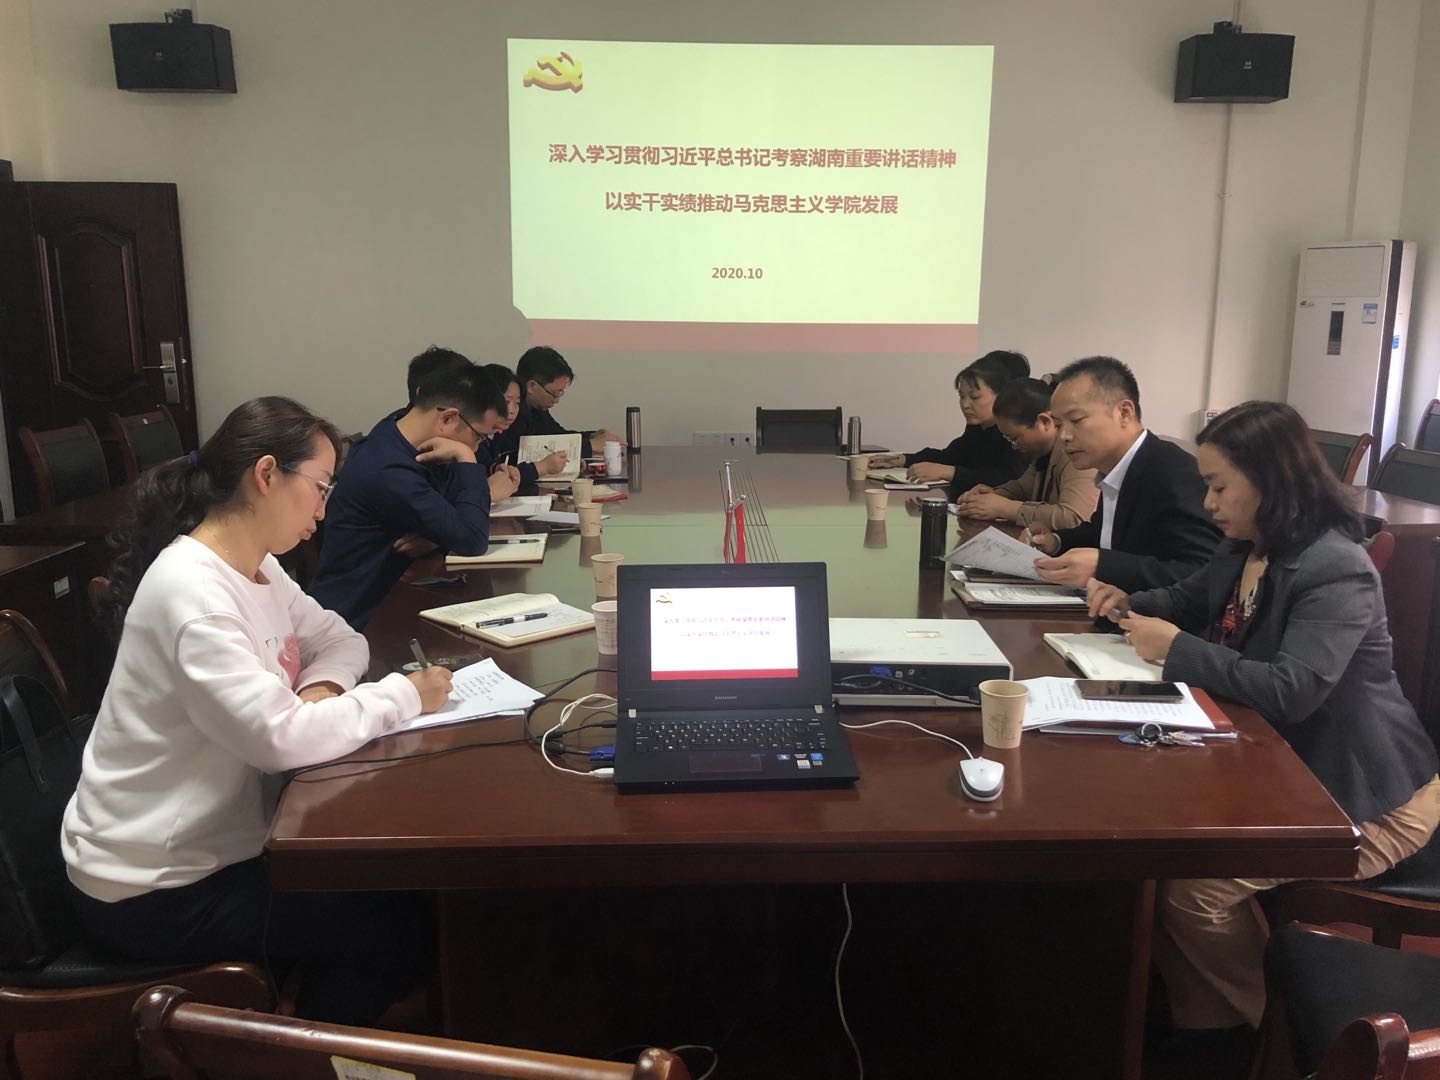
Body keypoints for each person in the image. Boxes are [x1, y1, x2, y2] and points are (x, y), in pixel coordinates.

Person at [62, 396, 453, 1026]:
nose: (324, 510)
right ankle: (306, 1057)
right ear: (266, 474)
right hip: (153, 885)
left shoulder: (258, 566)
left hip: (216, 845)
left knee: (403, 898)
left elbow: (342, 639)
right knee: (389, 932)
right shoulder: (195, 595)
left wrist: (319, 692)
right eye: (320, 487)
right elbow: (279, 740)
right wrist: (405, 694)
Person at [1084, 400, 1440, 1035]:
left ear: (1272, 481)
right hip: (1285, 768)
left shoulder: (1336, 567)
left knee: (1194, 889)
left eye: (1219, 486)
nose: (1209, 503)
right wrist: (1126, 603)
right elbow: (1185, 599)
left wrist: (1176, 647)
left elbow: (1291, 690)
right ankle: (1194, 1011)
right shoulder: (1247, 547)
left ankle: (1264, 1030)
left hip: (1366, 797)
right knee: (1149, 851)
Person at [308, 354, 514, 629]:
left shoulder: (397, 430)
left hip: (393, 599)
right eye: (479, 436)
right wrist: (466, 458)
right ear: (448, 418)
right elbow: (472, 540)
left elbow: (452, 510)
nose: (478, 446)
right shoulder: (387, 470)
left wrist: (437, 536)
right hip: (355, 621)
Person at [1026, 356, 1220, 592]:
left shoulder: (1173, 473)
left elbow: (1204, 573)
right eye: (1058, 425)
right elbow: (1107, 535)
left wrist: (1104, 567)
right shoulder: (1117, 468)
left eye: (1076, 420)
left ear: (1124, 413)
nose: (1064, 436)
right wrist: (1057, 541)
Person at [868, 351, 1030, 492]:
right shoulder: (977, 427)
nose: (965, 405)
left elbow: (1009, 479)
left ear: (1003, 395)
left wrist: (949, 472)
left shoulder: (1016, 432)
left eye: (974, 397)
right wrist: (904, 459)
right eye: (961, 396)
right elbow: (950, 456)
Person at [953, 377, 1099, 530]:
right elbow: (1022, 488)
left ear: (1045, 421)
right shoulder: (1043, 453)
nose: (1014, 446)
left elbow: (1075, 518)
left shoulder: (1075, 451)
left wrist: (1005, 508)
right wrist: (992, 496)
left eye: (1014, 438)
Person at [489, 346, 623, 467]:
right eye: (554, 393)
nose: (557, 400)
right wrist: (590, 446)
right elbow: (531, 452)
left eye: (560, 393)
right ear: (532, 386)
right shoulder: (509, 416)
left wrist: (592, 435)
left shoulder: (538, 409)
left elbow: (557, 436)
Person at [479, 361, 561, 484]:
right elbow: (494, 476)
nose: (512, 410)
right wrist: (543, 467)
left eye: (517, 403)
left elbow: (514, 461)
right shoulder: (474, 438)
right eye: (506, 402)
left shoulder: (497, 434)